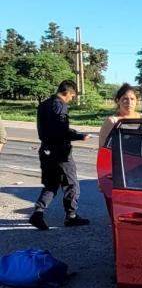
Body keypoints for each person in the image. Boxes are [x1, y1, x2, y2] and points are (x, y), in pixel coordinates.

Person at [29, 80, 93, 230]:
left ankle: (38, 213)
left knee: (51, 184)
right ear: (68, 93)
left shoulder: (44, 104)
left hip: (46, 150)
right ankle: (71, 216)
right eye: (72, 96)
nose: (71, 99)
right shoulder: (60, 106)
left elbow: (51, 129)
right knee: (72, 184)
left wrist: (72, 132)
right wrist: (79, 137)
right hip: (60, 153)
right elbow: (60, 132)